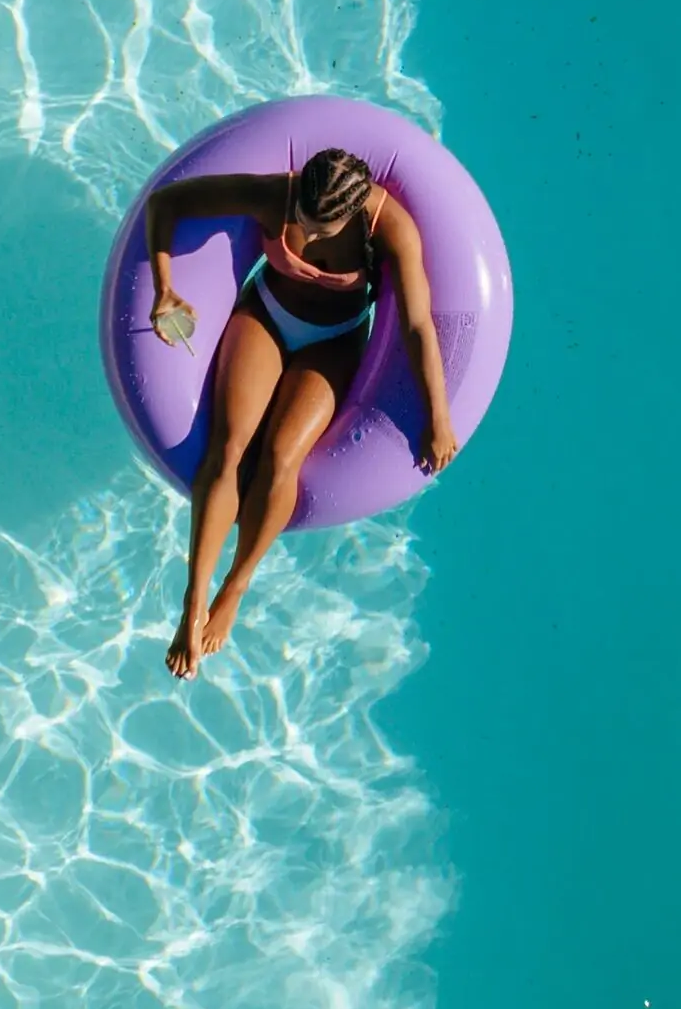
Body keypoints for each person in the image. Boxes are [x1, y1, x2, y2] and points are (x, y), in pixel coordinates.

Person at [144, 146, 458, 678]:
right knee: (229, 445)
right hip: (268, 313)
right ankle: (193, 601)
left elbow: (417, 326)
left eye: (319, 230)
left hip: (333, 339)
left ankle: (236, 584)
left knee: (282, 455)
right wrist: (164, 288)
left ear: (353, 215)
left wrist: (439, 416)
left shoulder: (387, 229)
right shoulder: (276, 193)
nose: (305, 238)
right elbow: (166, 204)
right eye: (300, 226)